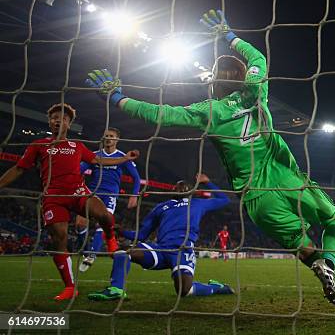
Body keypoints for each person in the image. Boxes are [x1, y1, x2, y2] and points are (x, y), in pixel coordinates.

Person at [84, 9, 335, 311]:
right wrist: (229, 36)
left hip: (257, 197)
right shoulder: (255, 92)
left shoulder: (209, 111)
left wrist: (117, 98)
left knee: (309, 254)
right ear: (242, 79)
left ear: (214, 83)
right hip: (287, 177)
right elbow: (259, 60)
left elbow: (159, 113)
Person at [0, 103, 138, 300]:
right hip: (53, 198)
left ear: (69, 123)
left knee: (104, 215)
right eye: (54, 117)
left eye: (63, 118)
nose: (58, 120)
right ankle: (70, 286)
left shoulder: (77, 146)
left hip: (79, 192)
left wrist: (124, 158)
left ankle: (110, 239)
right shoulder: (38, 145)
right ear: (50, 121)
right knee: (60, 238)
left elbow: (98, 161)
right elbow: (19, 168)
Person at [88, 173, 233, 300]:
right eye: (178, 185)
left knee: (184, 291)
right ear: (173, 190)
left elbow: (224, 199)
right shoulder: (161, 207)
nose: (181, 187)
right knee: (124, 251)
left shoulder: (198, 203)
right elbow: (142, 235)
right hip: (161, 250)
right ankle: (116, 290)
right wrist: (121, 231)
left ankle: (216, 287)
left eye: (185, 186)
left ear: (191, 191)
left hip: (183, 251)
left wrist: (207, 182)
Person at [77, 127, 141, 272]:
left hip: (110, 195)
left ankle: (92, 255)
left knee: (103, 223)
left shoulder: (123, 157)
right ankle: (86, 252)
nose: (108, 138)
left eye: (111, 136)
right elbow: (79, 170)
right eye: (106, 136)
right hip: (92, 193)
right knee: (80, 224)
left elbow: (136, 178)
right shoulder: (94, 155)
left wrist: (134, 195)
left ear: (117, 139)